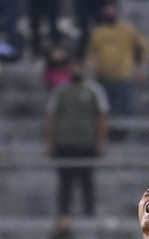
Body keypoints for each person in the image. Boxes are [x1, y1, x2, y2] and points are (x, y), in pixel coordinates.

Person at [45, 70, 109, 217]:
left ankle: (89, 213)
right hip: (64, 143)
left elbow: (102, 117)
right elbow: (51, 116)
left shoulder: (95, 91)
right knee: (65, 182)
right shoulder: (60, 91)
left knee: (87, 181)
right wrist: (50, 142)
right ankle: (63, 215)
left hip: (86, 144)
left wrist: (101, 142)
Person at [86, 3, 149, 117]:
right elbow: (91, 52)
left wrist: (142, 67)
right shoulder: (98, 32)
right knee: (104, 111)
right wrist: (93, 66)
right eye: (107, 11)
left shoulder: (128, 30)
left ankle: (125, 134)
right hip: (103, 78)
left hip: (123, 77)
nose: (110, 13)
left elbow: (143, 47)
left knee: (126, 110)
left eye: (112, 10)